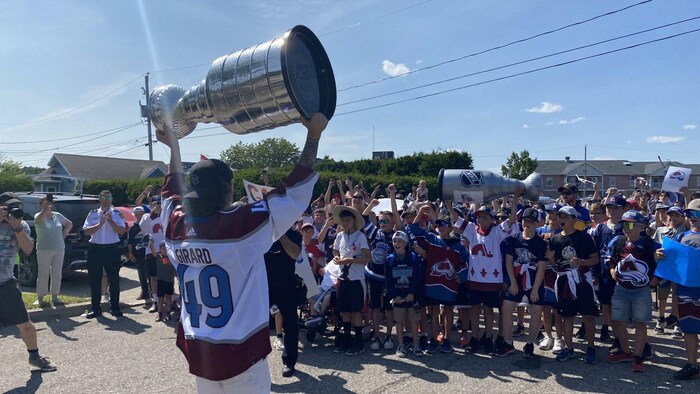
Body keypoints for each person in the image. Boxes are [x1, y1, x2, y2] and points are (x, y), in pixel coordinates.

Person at [157, 113, 327, 393]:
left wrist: (173, 147)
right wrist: (314, 135)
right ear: (228, 189)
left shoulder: (174, 223)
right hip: (240, 350)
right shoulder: (241, 225)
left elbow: (170, 192)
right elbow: (294, 191)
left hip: (200, 348)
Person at [0, 192, 57, 372]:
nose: (12, 210)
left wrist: (17, 228)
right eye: (7, 206)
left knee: (26, 325)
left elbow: (27, 249)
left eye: (15, 206)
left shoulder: (21, 224)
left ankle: (35, 357)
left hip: (6, 283)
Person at [604, 210, 660, 373]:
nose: (625, 228)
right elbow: (611, 259)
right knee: (617, 320)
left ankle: (638, 356)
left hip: (641, 289)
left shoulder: (650, 244)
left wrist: (655, 281)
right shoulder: (618, 241)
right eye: (623, 224)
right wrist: (612, 270)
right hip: (621, 287)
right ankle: (625, 351)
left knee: (639, 322)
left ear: (641, 227)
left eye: (629, 224)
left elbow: (666, 262)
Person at [546, 206, 599, 364]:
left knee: (587, 315)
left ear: (574, 219)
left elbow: (595, 259)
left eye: (566, 216)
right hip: (563, 280)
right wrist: (550, 259)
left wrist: (581, 262)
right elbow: (556, 264)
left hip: (581, 279)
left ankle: (590, 346)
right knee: (566, 316)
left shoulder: (584, 238)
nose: (561, 219)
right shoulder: (555, 239)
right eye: (560, 216)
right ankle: (569, 348)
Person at [655, 199, 700, 380]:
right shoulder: (681, 237)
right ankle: (692, 364)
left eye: (696, 213)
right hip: (686, 290)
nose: (692, 217)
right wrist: (658, 256)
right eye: (689, 214)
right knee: (689, 329)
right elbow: (669, 262)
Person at [499, 208, 548, 358]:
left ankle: (530, 343)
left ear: (537, 224)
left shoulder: (541, 243)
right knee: (507, 307)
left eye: (531, 221)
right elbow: (508, 262)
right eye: (525, 220)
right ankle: (508, 342)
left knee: (536, 310)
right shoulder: (513, 239)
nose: (527, 224)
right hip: (516, 278)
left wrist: (535, 289)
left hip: (533, 280)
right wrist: (513, 283)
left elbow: (541, 268)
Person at [332, 205, 372, 356]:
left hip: (356, 278)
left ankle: (358, 342)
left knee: (356, 311)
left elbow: (368, 257)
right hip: (343, 277)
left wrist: (351, 260)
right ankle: (347, 339)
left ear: (354, 220)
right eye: (343, 220)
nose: (345, 223)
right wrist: (336, 257)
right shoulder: (340, 236)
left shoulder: (360, 237)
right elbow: (335, 250)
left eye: (348, 220)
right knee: (345, 311)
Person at [264, 227, 303, 377]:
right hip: (264, 284)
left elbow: (294, 253)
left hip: (286, 285)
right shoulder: (263, 230)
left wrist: (279, 233)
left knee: (291, 324)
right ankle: (256, 362)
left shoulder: (294, 233)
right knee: (257, 325)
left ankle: (289, 362)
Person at [82, 190, 126, 319]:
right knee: (94, 280)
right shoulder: (93, 214)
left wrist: (111, 221)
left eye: (109, 197)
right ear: (100, 199)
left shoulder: (118, 214)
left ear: (112, 199)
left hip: (112, 250)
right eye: (104, 197)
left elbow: (121, 231)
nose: (107, 199)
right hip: (95, 250)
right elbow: (86, 231)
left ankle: (115, 307)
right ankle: (96, 309)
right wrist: (100, 223)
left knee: (114, 279)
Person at [386, 230, 426, 357]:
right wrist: (394, 295)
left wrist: (412, 293)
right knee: (399, 322)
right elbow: (388, 280)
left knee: (414, 321)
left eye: (399, 241)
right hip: (398, 296)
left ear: (405, 243)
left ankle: (416, 344)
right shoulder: (390, 259)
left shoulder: (414, 258)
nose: (396, 243)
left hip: (411, 296)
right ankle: (401, 345)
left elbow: (418, 277)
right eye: (394, 241)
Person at [33, 195, 72, 306]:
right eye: (44, 203)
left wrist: (63, 234)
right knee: (43, 273)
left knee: (57, 273)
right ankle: (40, 298)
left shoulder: (57, 216)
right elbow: (38, 221)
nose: (47, 205)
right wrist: (44, 210)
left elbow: (69, 224)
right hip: (44, 249)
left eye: (49, 203)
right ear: (40, 205)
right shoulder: (39, 215)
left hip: (59, 248)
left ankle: (55, 296)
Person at [127, 206, 150, 300]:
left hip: (148, 253)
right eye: (137, 214)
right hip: (137, 254)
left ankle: (154, 291)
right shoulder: (132, 227)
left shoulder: (149, 224)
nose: (139, 216)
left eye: (141, 214)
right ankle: (144, 292)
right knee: (141, 274)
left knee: (150, 274)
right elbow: (130, 241)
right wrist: (130, 253)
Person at [155, 241, 176, 322]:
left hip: (169, 280)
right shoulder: (157, 256)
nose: (164, 250)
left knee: (168, 297)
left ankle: (168, 313)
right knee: (160, 297)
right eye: (162, 248)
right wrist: (152, 243)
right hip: (160, 280)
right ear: (159, 249)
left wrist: (169, 263)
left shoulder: (171, 258)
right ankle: (159, 313)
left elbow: (174, 271)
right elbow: (153, 252)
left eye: (166, 248)